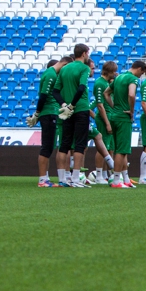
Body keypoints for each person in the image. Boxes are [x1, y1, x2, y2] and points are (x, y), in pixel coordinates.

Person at [51, 44, 92, 188]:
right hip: (80, 108)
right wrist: (73, 105)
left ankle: (63, 179)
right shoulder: (84, 68)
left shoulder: (65, 68)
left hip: (66, 111)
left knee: (64, 144)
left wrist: (64, 105)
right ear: (84, 54)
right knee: (80, 144)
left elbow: (55, 91)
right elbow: (81, 87)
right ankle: (75, 179)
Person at [27, 56, 72, 187]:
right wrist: (37, 113)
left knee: (50, 146)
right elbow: (43, 95)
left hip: (50, 113)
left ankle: (45, 178)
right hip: (48, 113)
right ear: (64, 64)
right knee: (47, 146)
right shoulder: (51, 75)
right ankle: (42, 179)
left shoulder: (52, 74)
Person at [104, 60, 146, 189]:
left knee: (120, 149)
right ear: (138, 69)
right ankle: (117, 180)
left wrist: (114, 107)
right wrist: (131, 111)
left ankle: (125, 179)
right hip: (123, 117)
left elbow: (106, 93)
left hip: (114, 116)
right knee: (121, 151)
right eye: (142, 73)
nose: (141, 76)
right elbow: (131, 94)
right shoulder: (133, 79)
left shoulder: (119, 77)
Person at [92, 60, 117, 184]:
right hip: (103, 118)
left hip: (110, 117)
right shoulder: (99, 83)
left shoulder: (107, 83)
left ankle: (108, 174)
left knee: (110, 148)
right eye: (114, 71)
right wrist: (106, 123)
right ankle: (98, 175)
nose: (115, 73)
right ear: (110, 71)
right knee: (102, 147)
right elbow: (100, 105)